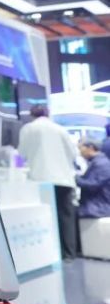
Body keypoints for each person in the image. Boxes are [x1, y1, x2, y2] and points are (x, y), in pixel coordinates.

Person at [18, 105, 79, 259]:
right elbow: (73, 153)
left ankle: (51, 254)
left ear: (31, 115)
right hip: (64, 179)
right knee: (66, 217)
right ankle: (69, 254)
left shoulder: (29, 128)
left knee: (46, 217)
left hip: (41, 179)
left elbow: (21, 153)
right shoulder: (60, 129)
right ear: (48, 113)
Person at [77, 140, 110, 220]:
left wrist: (76, 179)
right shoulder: (96, 162)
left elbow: (93, 185)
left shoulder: (102, 163)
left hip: (98, 207)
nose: (79, 152)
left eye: (80, 148)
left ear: (90, 148)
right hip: (95, 204)